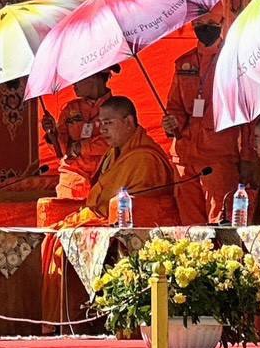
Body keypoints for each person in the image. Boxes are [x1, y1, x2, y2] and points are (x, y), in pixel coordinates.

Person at [39, 96, 179, 326]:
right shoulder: (114, 152)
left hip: (127, 227)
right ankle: (68, 320)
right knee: (56, 236)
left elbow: (144, 203)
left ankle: (83, 319)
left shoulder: (145, 157)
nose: (102, 130)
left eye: (108, 123)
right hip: (103, 218)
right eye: (100, 124)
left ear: (129, 121)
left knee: (67, 240)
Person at [163, 12, 244, 224]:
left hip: (218, 153)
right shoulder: (184, 63)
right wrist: (172, 123)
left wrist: (249, 158)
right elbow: (175, 106)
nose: (204, 29)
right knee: (189, 225)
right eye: (198, 24)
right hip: (183, 155)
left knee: (220, 221)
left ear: (222, 22)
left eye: (209, 23)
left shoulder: (235, 61)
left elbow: (247, 112)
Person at [43, 66, 117, 200]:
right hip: (72, 180)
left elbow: (115, 142)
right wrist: (51, 135)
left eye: (77, 78)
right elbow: (62, 152)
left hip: (106, 176)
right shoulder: (70, 108)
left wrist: (82, 147)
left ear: (93, 76)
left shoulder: (117, 108)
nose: (73, 84)